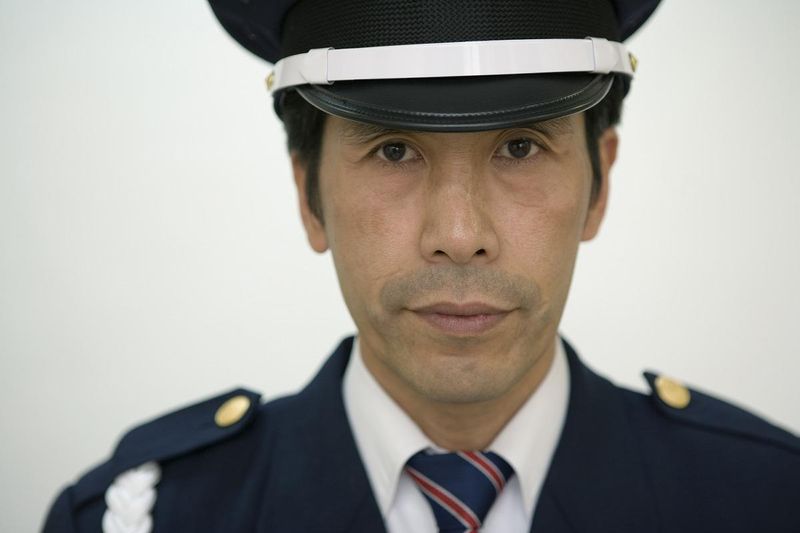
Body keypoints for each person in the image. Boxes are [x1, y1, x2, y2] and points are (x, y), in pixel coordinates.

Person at [43, 1, 800, 532]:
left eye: (520, 147)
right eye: (395, 150)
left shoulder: (766, 500)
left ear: (599, 186)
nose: (460, 236)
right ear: (309, 195)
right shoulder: (140, 517)